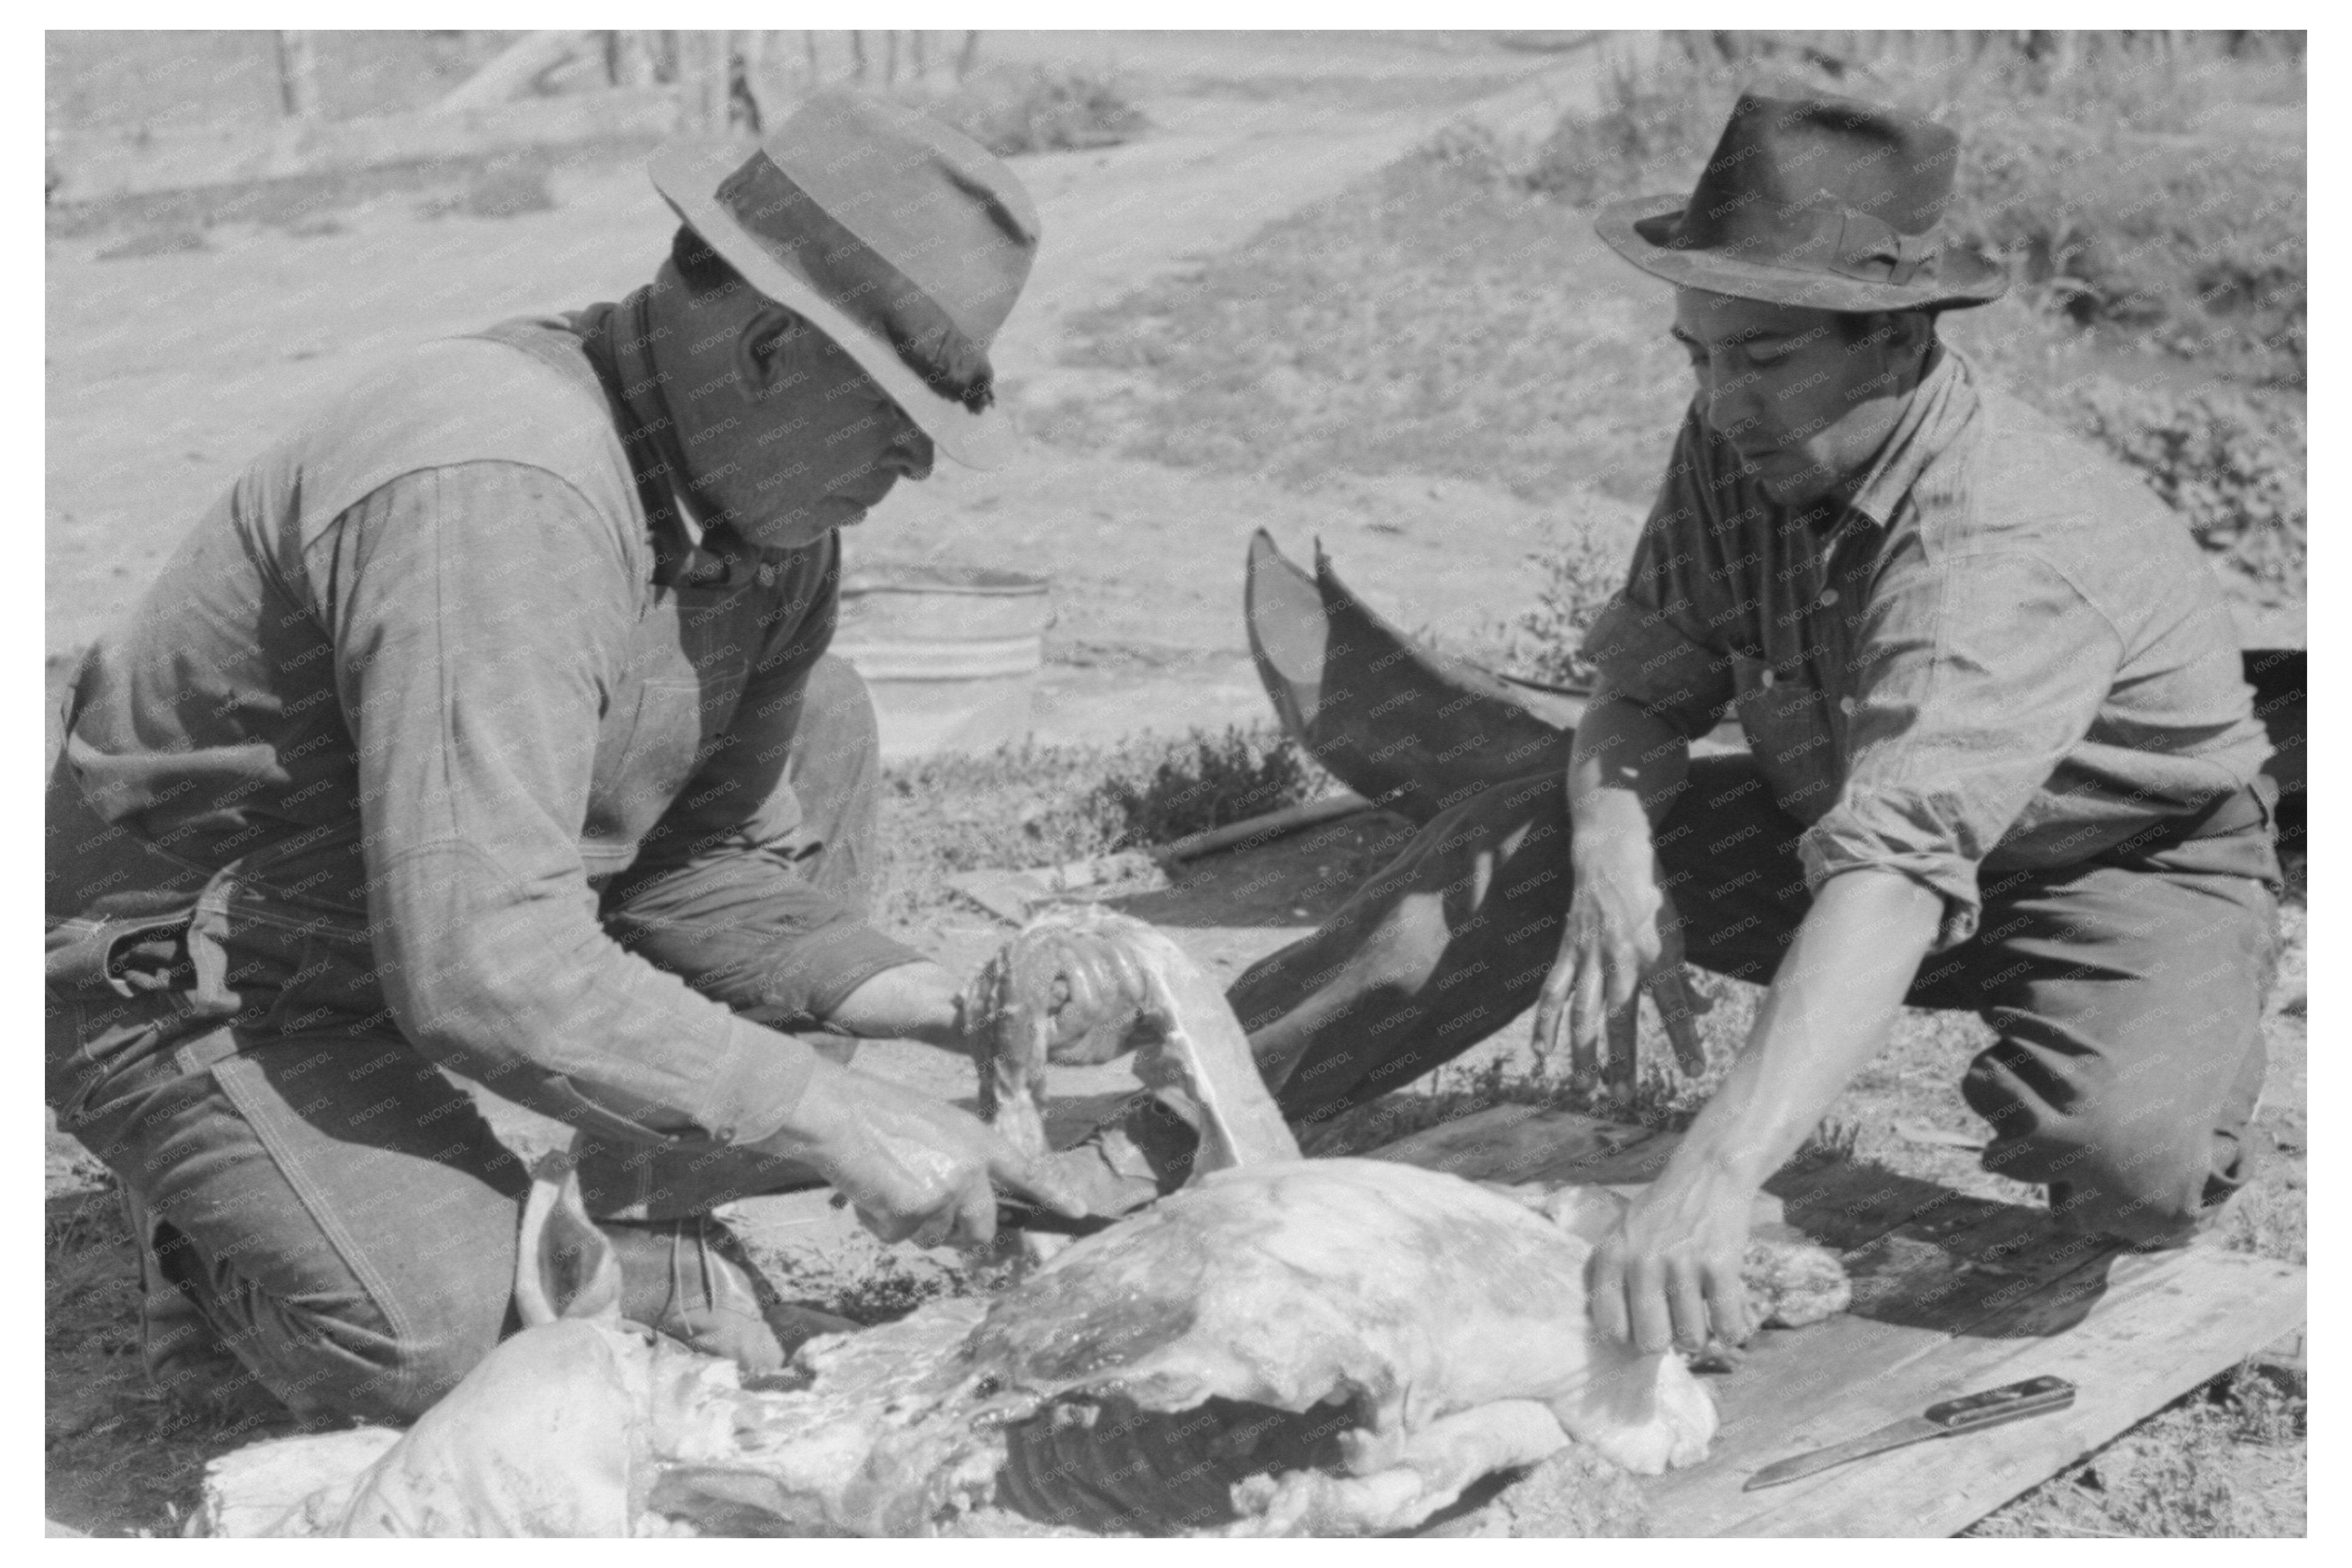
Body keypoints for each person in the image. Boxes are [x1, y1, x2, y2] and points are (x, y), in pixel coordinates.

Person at [1066, 94, 2283, 1356]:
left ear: (1898, 341)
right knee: (1524, 832)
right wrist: (1607, 850)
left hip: (2109, 869)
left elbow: (1893, 871)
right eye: (1693, 353)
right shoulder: (1735, 438)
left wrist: (1707, 1177)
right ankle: (1168, 1127)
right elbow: (1643, 694)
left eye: (1762, 359)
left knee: (2125, 1168)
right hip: (1840, 836)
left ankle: (2158, 1060)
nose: (1719, 396)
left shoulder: (1998, 538)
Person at [45, 89, 1088, 1425]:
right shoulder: (501, 477)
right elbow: (483, 963)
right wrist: (828, 1113)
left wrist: (955, 1000)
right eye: (891, 417)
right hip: (208, 970)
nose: (914, 468)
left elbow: (688, 871)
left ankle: (648, 1229)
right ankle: (201, 1234)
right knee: (464, 1349)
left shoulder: (764, 531)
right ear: (770, 350)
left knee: (821, 714)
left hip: (431, 904)